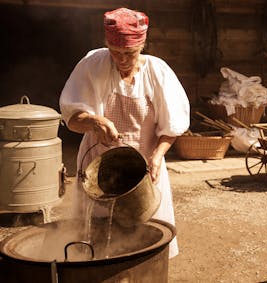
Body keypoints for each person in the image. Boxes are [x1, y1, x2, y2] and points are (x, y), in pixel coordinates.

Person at [59, 7, 190, 258]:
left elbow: (172, 125)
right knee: (95, 237)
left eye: (128, 53)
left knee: (146, 235)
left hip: (144, 168)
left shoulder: (157, 72)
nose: (120, 59)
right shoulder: (92, 64)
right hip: (99, 168)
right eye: (115, 52)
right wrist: (94, 121)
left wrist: (158, 156)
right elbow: (72, 119)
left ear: (142, 46)